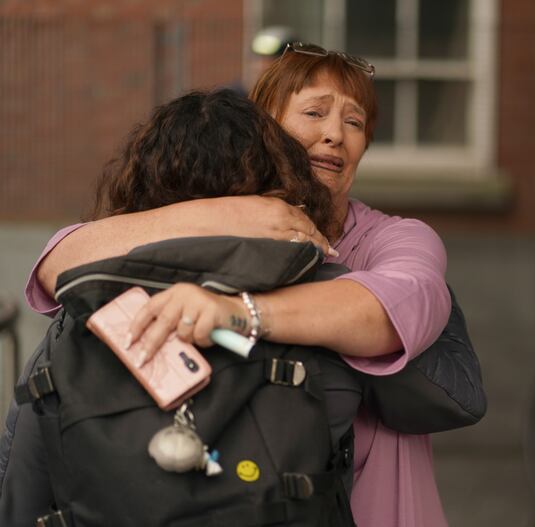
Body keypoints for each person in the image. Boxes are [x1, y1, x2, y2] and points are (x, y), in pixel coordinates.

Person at [23, 43, 453, 526]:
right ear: (265, 126)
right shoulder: (225, 227)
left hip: (367, 504)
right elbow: (58, 261)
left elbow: (395, 310)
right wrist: (235, 212)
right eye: (314, 112)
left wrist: (235, 313)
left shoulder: (398, 237)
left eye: (354, 123)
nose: (335, 134)